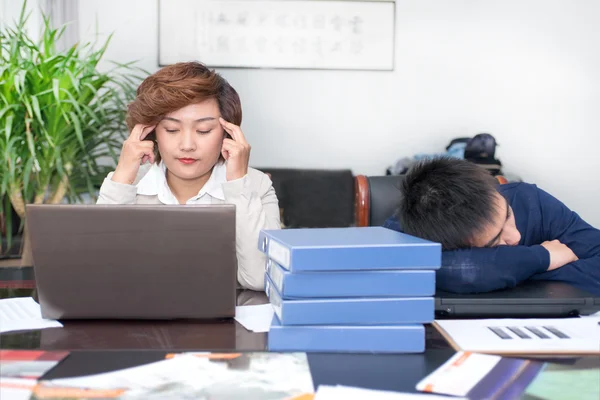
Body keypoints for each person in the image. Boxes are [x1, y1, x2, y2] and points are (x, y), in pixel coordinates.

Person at [97, 61, 280, 291]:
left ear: (228, 132)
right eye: (171, 130)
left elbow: (259, 279)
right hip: (140, 321)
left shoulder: (256, 185)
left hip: (223, 324)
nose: (187, 145)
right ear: (152, 133)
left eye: (203, 131)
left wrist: (238, 186)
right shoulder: (128, 184)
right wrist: (122, 176)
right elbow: (98, 272)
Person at [383, 157, 600, 295]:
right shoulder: (407, 232)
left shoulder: (531, 201)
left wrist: (498, 272)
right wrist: (543, 258)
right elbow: (463, 273)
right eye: (495, 241)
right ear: (453, 247)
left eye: (507, 215)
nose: (515, 237)